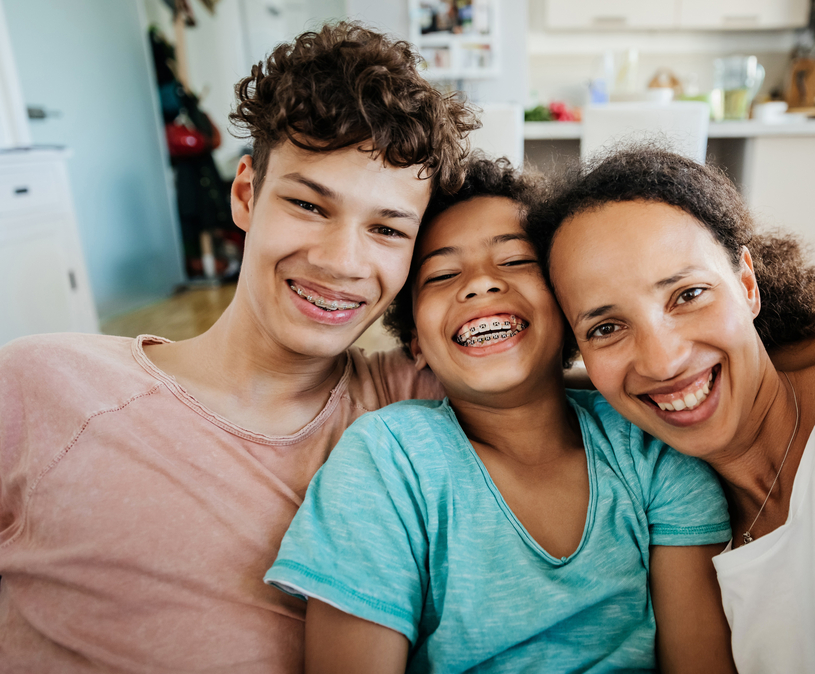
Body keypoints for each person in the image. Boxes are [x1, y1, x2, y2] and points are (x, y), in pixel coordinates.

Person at [0, 22, 478, 673]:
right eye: (309, 205)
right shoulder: (44, 385)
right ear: (246, 192)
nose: (341, 261)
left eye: (387, 229)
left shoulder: (415, 401)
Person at [265, 157, 736, 674]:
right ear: (415, 342)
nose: (480, 285)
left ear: (571, 309)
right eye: (443, 275)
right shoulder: (386, 462)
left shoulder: (650, 447)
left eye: (515, 262)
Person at [534, 147, 815, 674]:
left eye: (688, 295)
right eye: (605, 328)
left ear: (747, 286)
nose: (663, 363)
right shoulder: (666, 514)